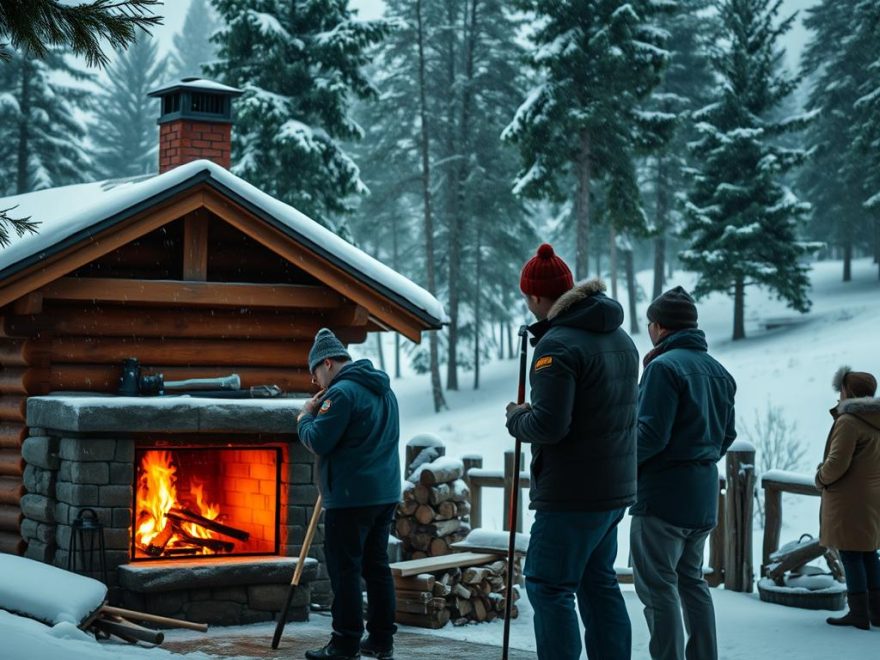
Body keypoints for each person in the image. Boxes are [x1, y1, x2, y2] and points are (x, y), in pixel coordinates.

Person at [505, 243, 639, 660]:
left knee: (548, 584)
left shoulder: (557, 346)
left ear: (537, 297)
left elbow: (550, 425)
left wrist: (516, 418)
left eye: (527, 296)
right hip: (613, 488)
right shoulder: (618, 336)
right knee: (597, 583)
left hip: (572, 493)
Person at [630, 286, 736, 660]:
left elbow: (649, 437)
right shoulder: (719, 372)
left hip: (662, 497)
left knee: (658, 588)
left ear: (659, 327)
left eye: (649, 324)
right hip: (703, 496)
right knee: (692, 582)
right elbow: (727, 435)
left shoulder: (663, 367)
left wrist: (622, 466)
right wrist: (699, 459)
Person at [297, 328, 401, 660]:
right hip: (384, 493)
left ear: (326, 363)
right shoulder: (384, 391)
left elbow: (318, 440)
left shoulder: (341, 394)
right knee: (376, 566)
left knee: (345, 570)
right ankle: (382, 640)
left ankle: (344, 643)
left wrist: (304, 417)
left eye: (316, 375)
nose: (317, 384)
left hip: (350, 496)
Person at [818, 366, 880, 630]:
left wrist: (820, 477)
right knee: (868, 553)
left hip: (848, 498)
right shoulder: (876, 419)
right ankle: (876, 611)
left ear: (848, 391)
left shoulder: (849, 421)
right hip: (873, 496)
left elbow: (836, 463)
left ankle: (858, 613)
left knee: (851, 554)